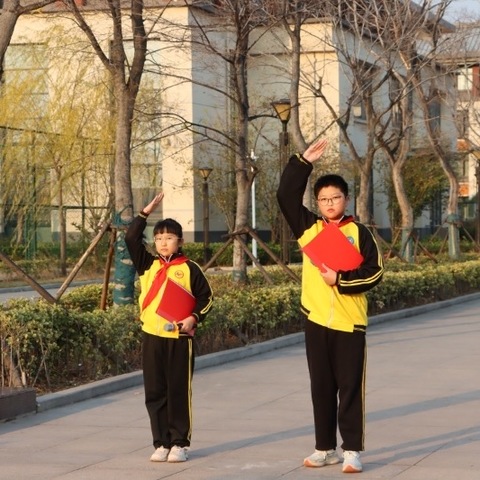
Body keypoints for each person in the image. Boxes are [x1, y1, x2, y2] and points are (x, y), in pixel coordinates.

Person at [276, 139, 384, 474]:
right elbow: (284, 196)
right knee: (321, 388)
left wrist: (340, 279)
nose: (329, 203)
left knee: (350, 387)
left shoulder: (359, 233)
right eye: (323, 199)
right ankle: (325, 447)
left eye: (335, 197)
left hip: (350, 324)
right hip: (317, 320)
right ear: (317, 202)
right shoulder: (309, 228)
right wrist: (302, 163)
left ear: (346, 199)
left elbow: (374, 272)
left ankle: (351, 449)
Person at [125, 192, 213, 464]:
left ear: (180, 241)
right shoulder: (147, 265)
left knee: (178, 390)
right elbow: (130, 239)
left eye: (169, 238)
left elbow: (206, 298)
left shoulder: (189, 268)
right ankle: (161, 442)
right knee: (154, 391)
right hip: (152, 336)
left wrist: (194, 318)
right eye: (159, 238)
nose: (163, 243)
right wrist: (145, 213)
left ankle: (179, 442)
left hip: (179, 338)